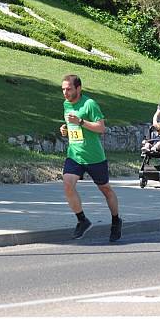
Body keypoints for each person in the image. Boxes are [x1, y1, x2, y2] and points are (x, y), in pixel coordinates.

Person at [60, 74, 122, 242]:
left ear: (78, 88)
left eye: (69, 89)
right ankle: (82, 220)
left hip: (94, 157)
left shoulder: (89, 104)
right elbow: (73, 127)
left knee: (106, 189)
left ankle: (116, 221)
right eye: (63, 89)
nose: (65, 93)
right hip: (75, 154)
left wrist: (80, 122)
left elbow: (101, 128)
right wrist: (66, 129)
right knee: (67, 184)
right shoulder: (66, 104)